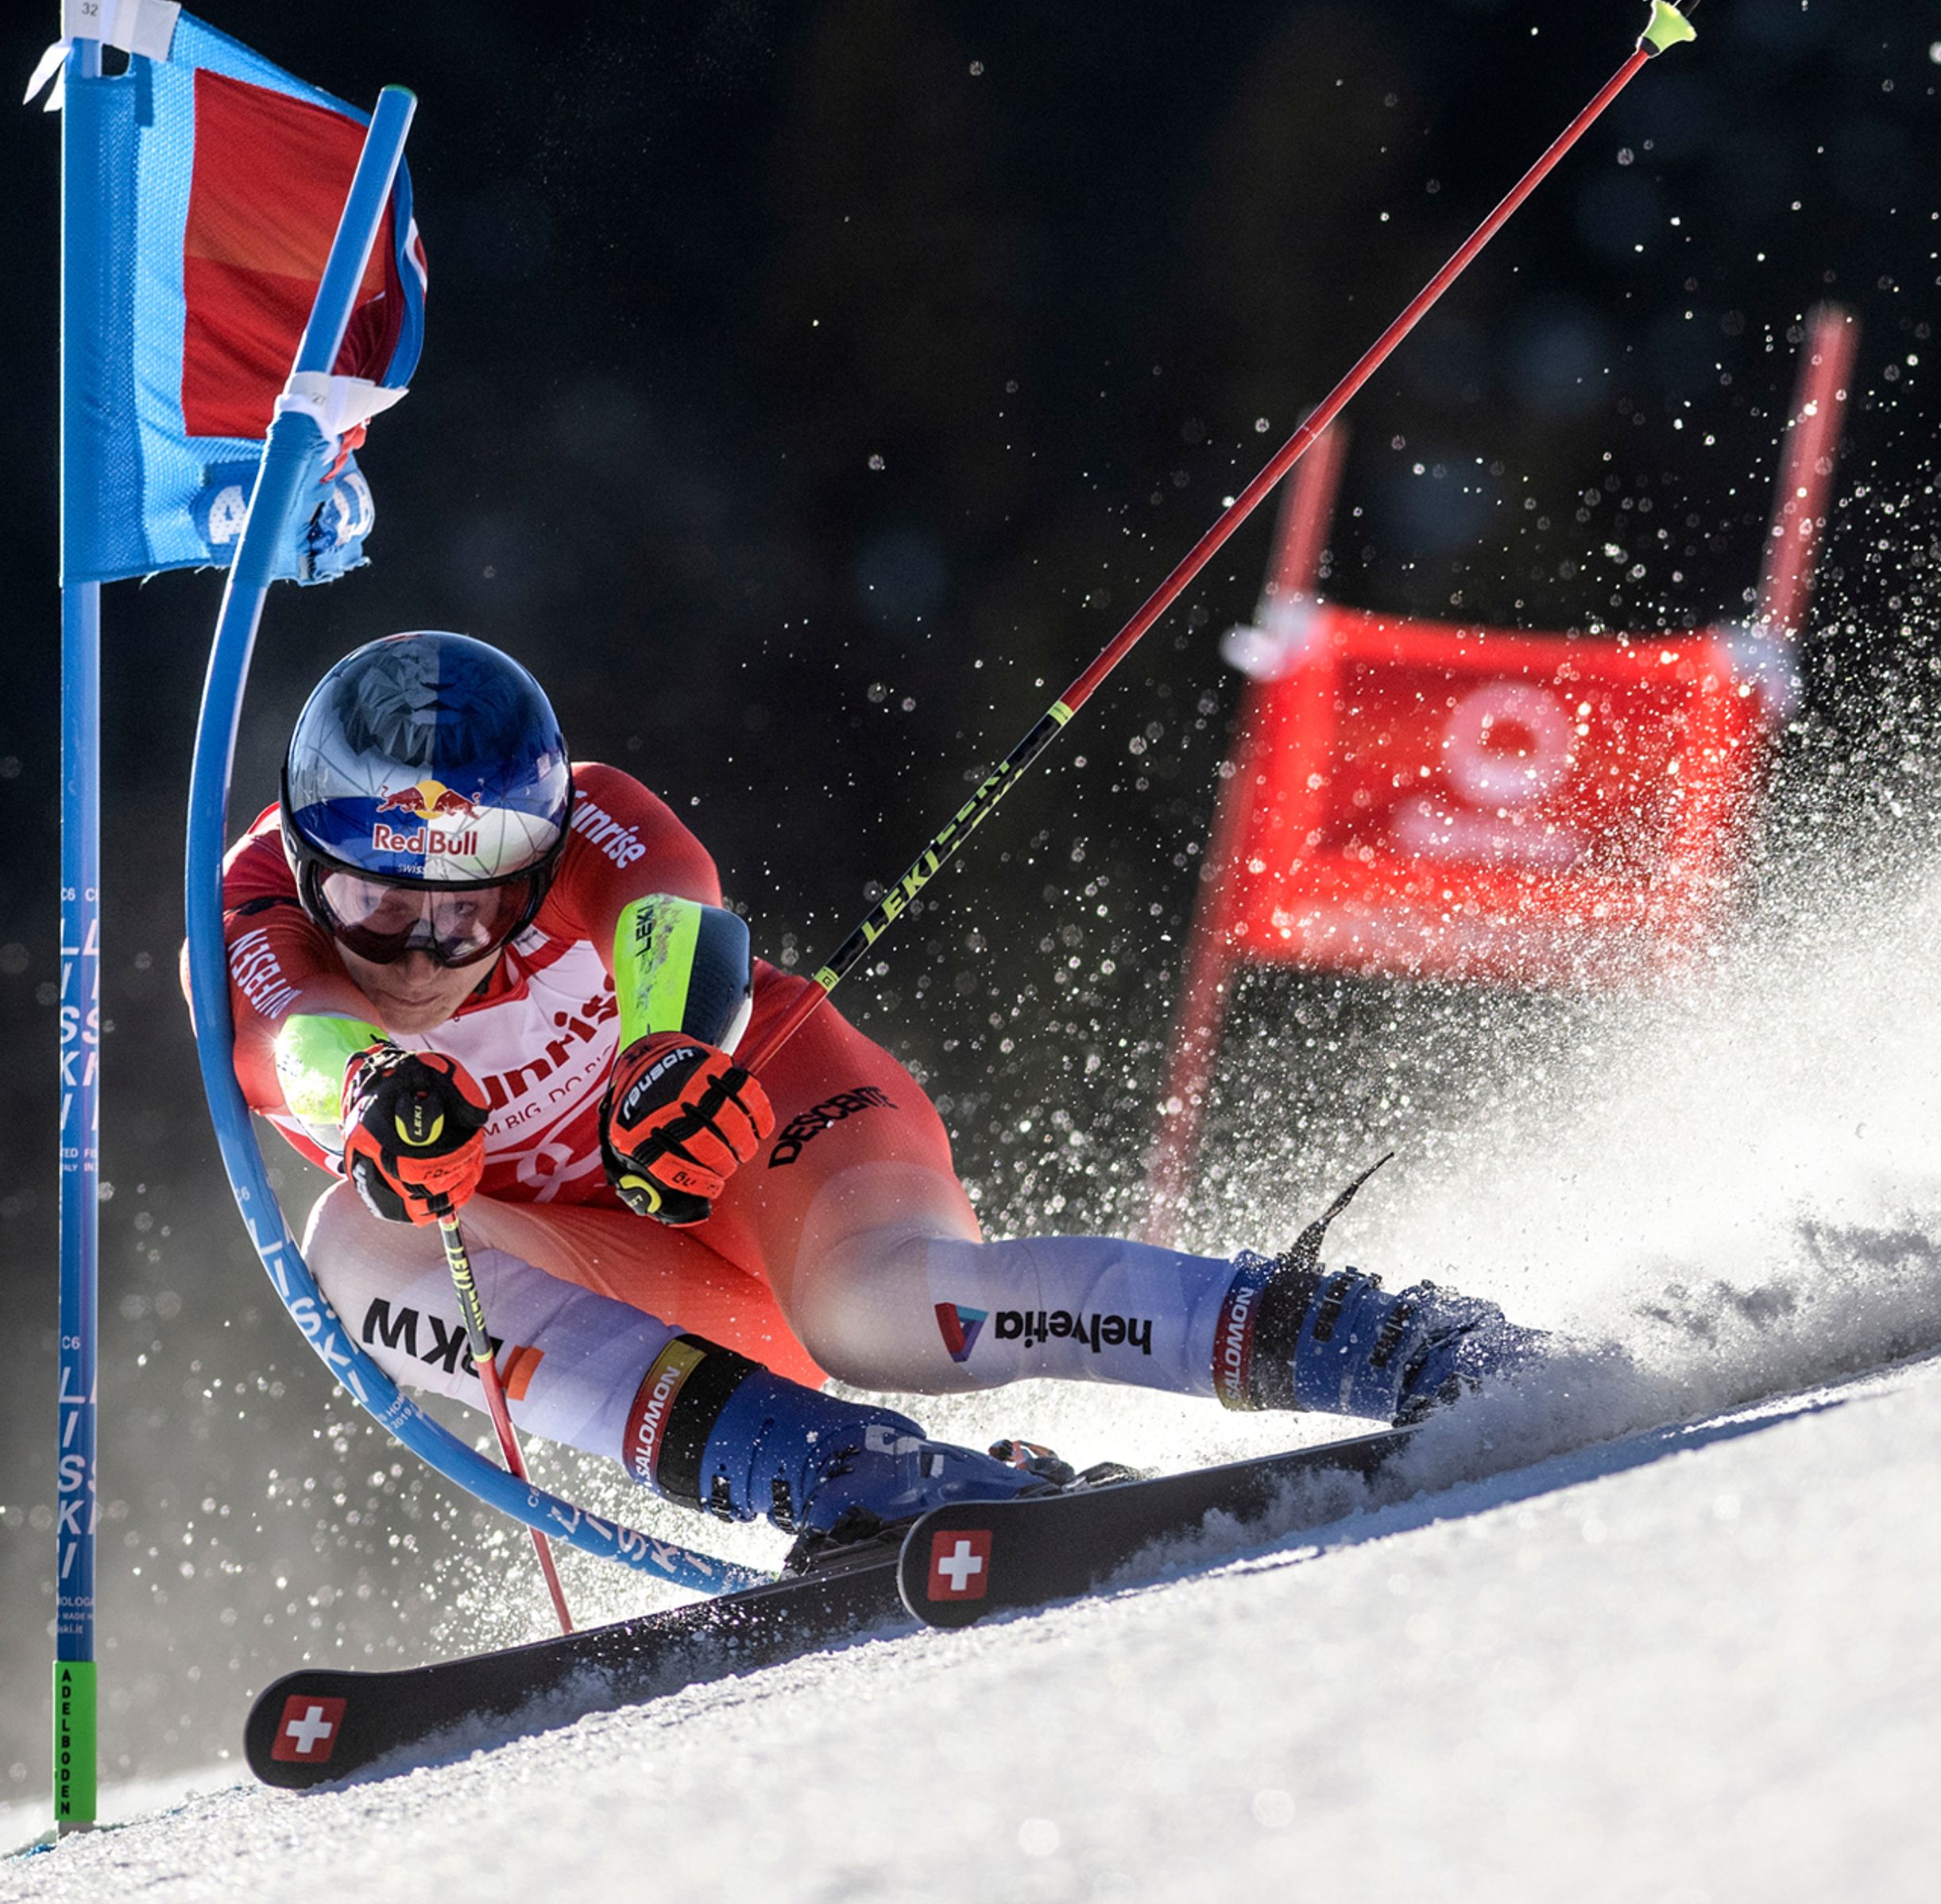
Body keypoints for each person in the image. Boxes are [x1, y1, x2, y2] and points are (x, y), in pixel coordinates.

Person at [222, 630, 1526, 1547]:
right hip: (610, 1268)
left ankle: (1380, 1341)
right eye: (374, 908)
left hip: (765, 1132)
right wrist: (380, 1087)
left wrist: (663, 1055)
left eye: (475, 919)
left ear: (540, 857)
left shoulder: (599, 819)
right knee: (356, 1239)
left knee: (886, 1310)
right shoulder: (247, 912)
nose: (420, 957)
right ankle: (844, 1474)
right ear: (305, 850)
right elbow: (299, 1040)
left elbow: (678, 921)